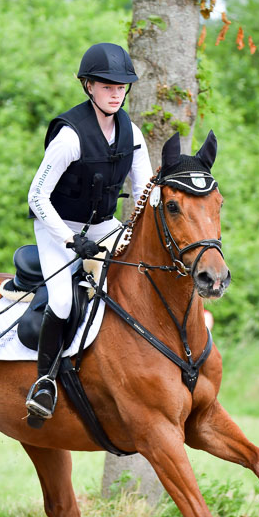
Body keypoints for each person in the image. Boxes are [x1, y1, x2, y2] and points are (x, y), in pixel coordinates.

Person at [25, 43, 153, 423]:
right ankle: (44, 383)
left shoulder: (132, 134)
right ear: (89, 87)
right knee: (64, 301)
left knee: (138, 281)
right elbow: (36, 196)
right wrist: (69, 239)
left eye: (120, 87)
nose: (115, 94)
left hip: (103, 227)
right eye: (107, 86)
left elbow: (145, 193)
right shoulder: (70, 136)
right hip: (58, 229)